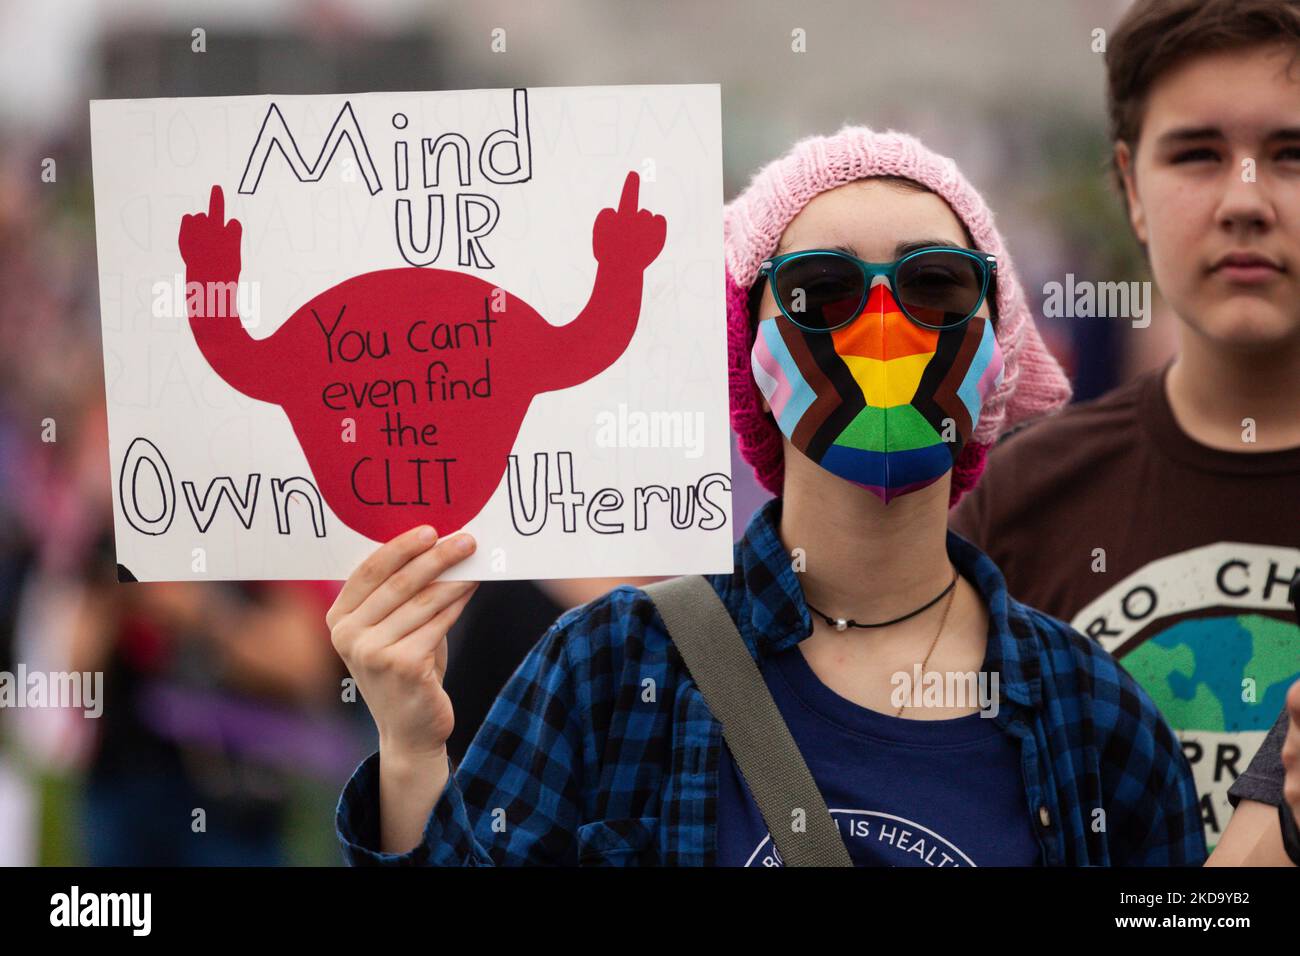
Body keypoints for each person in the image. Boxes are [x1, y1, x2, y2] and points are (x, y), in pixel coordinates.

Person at [329, 126, 1205, 866]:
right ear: (751, 355)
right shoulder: (610, 667)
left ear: (998, 352)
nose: (883, 327)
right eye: (820, 291)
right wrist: (411, 752)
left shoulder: (1093, 715)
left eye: (936, 285)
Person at [950, 0, 1300, 855]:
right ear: (1132, 189)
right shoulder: (1016, 502)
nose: (1244, 202)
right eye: (1197, 155)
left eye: (1293, 154)